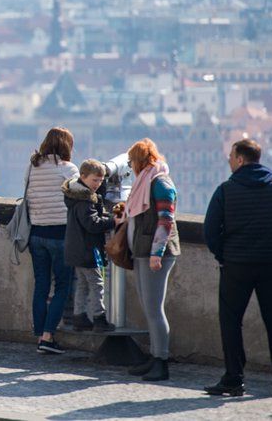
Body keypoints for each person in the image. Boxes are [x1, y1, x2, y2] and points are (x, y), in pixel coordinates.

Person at [203, 138, 272, 397]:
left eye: (231, 156)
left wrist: (223, 256)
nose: (228, 160)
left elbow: (210, 231)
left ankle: (233, 379)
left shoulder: (226, 190)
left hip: (236, 266)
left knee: (231, 323)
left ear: (240, 159)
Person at [120, 138, 179, 382]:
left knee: (154, 309)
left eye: (132, 160)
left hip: (156, 254)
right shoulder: (146, 180)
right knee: (148, 306)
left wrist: (156, 253)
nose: (131, 165)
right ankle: (154, 356)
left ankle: (161, 361)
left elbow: (166, 220)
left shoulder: (160, 182)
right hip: (142, 252)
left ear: (140, 160)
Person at [25, 127, 78, 354]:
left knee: (41, 286)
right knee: (63, 286)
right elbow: (80, 196)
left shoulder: (32, 167)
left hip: (36, 233)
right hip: (60, 234)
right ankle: (48, 337)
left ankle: (40, 335)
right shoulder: (68, 169)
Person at [63, 159, 115, 333]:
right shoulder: (85, 200)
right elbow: (92, 224)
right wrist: (112, 222)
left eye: (100, 181)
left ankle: (79, 316)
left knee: (83, 284)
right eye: (95, 180)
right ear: (83, 177)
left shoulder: (75, 196)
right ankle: (99, 318)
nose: (98, 184)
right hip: (88, 249)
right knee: (96, 284)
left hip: (76, 249)